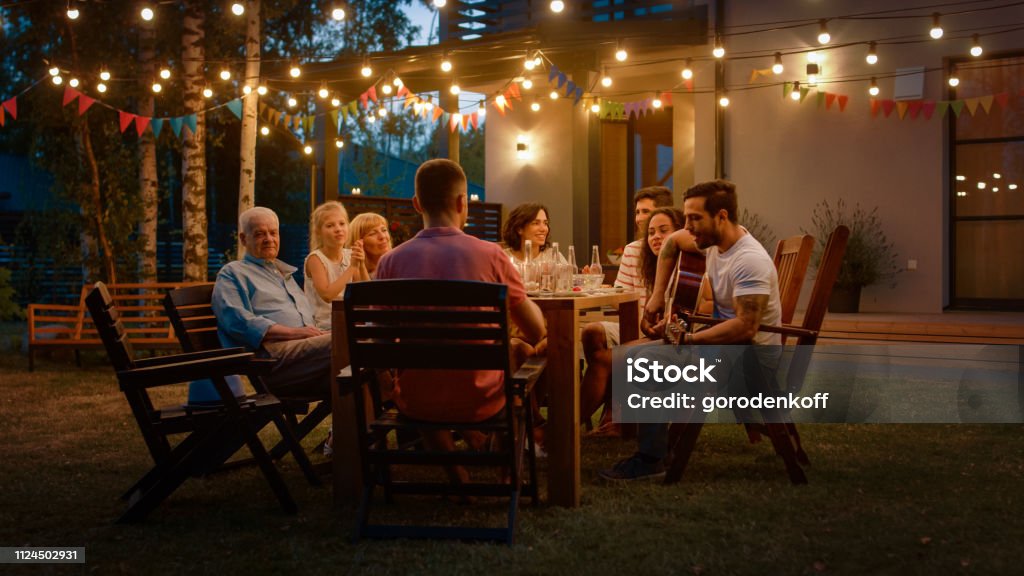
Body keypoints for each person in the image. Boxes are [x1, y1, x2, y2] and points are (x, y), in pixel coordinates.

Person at [375, 158, 546, 482]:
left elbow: (381, 343)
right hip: (482, 398)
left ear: (416, 204)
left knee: (424, 378)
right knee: (512, 373)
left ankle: (456, 474)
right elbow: (536, 331)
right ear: (461, 203)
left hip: (416, 401)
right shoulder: (492, 255)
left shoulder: (390, 263)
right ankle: (506, 471)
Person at [599, 179, 782, 481]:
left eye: (695, 218)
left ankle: (650, 459)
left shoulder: (749, 260)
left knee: (645, 362)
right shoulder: (713, 242)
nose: (688, 226)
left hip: (750, 365)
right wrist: (657, 296)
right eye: (686, 218)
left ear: (721, 216)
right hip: (726, 351)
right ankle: (655, 451)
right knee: (642, 355)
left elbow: (746, 326)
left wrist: (690, 338)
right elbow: (671, 243)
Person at [580, 186, 691, 432]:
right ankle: (610, 413)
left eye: (647, 212)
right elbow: (622, 298)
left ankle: (611, 416)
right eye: (639, 214)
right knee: (591, 333)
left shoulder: (689, 257)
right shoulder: (635, 250)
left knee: (605, 359)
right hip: (636, 326)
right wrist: (599, 288)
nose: (640, 218)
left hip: (669, 335)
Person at [212, 206, 331, 398]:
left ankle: (369, 424)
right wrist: (295, 333)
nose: (269, 239)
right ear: (243, 239)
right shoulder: (233, 273)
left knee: (361, 352)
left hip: (307, 356)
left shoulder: (282, 274)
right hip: (270, 363)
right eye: (260, 234)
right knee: (347, 341)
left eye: (273, 233)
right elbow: (238, 321)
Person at [304, 201, 365, 330]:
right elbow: (327, 295)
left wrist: (361, 263)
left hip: (349, 320)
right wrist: (353, 267)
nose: (338, 229)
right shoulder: (315, 259)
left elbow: (363, 292)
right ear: (318, 232)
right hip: (324, 326)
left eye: (342, 224)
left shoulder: (349, 255)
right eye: (330, 225)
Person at [348, 212, 392, 280]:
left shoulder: (397, 265)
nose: (382, 236)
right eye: (372, 233)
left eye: (384, 230)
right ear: (358, 242)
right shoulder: (351, 274)